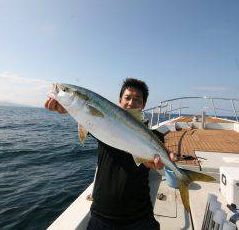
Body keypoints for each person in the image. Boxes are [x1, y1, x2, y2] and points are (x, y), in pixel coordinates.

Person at [45, 78, 175, 230]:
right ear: (120, 101)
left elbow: (157, 164)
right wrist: (68, 108)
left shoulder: (156, 136)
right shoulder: (102, 125)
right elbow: (89, 118)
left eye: (137, 99)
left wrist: (159, 165)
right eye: (127, 98)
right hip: (101, 215)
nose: (131, 103)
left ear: (143, 105)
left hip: (140, 216)